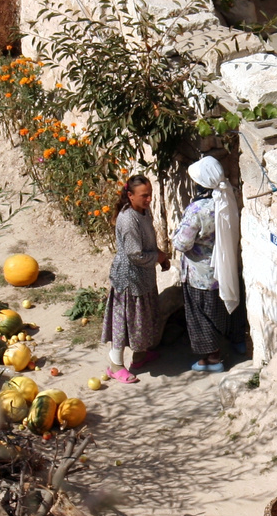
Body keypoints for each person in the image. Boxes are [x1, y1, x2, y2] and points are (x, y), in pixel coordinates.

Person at [173, 155, 242, 372]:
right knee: (222, 311)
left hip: (200, 274)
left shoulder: (197, 210)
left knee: (202, 317)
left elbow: (182, 243)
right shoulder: (228, 198)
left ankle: (211, 359)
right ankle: (238, 341)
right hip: (224, 268)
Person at [101, 174, 167, 383]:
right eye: (144, 196)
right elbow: (135, 254)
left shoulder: (144, 212)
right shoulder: (128, 220)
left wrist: (159, 256)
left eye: (150, 195)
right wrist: (159, 257)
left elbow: (147, 243)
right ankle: (115, 365)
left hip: (144, 276)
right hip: (128, 279)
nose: (149, 200)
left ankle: (139, 356)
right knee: (123, 321)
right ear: (130, 196)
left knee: (143, 318)